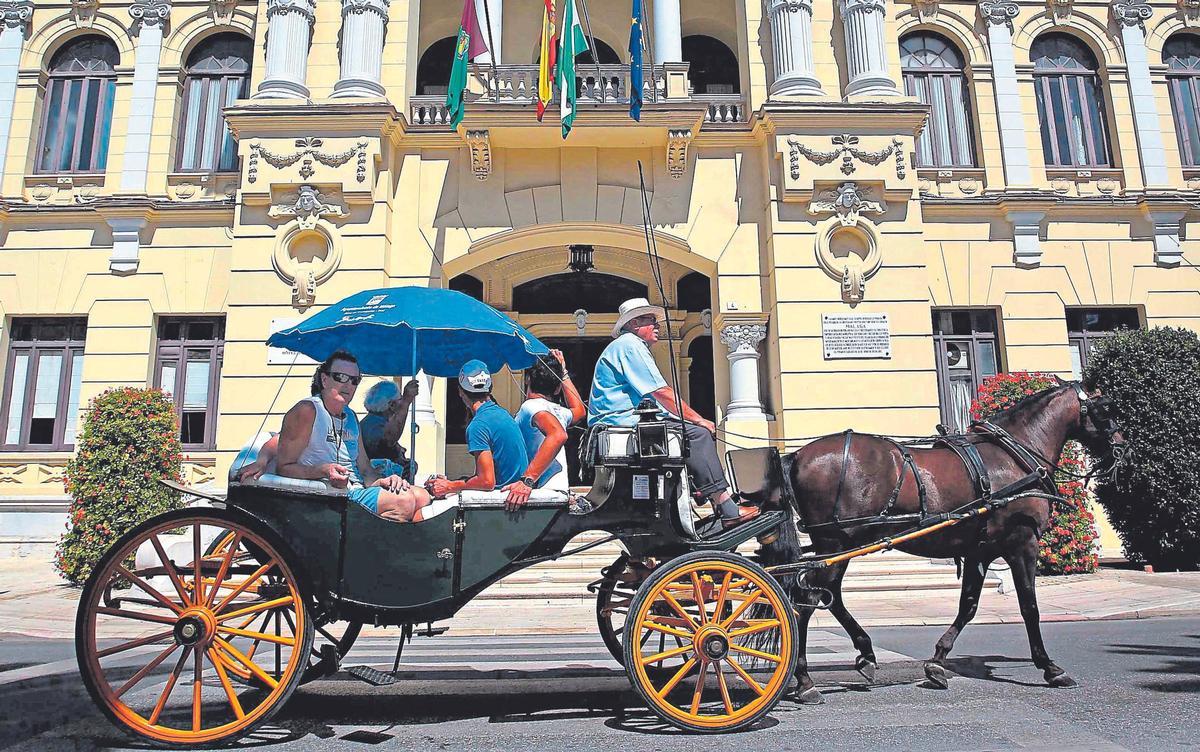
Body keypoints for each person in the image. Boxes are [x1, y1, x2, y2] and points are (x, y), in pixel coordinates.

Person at [589, 297, 760, 528]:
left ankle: (702, 488)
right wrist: (699, 419)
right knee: (697, 434)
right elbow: (661, 393)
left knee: (686, 431)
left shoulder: (628, 345)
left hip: (622, 421)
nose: (658, 325)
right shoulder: (630, 344)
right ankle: (726, 506)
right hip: (622, 423)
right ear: (634, 323)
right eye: (651, 320)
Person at [271, 350, 432, 522]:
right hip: (328, 496)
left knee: (422, 497)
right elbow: (284, 467)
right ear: (325, 379)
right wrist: (323, 470)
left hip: (355, 490)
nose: (348, 385)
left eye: (355, 380)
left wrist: (385, 480)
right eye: (341, 377)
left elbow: (365, 470)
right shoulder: (308, 411)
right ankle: (373, 547)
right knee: (403, 500)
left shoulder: (351, 417)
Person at [425, 360, 529, 501]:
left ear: (460, 392)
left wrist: (449, 486)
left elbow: (487, 482)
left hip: (503, 500)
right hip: (511, 493)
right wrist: (453, 482)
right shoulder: (502, 414)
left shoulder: (478, 426)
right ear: (489, 388)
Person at [503, 349, 587, 510]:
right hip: (557, 491)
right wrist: (564, 373)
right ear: (557, 389)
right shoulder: (558, 411)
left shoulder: (530, 407)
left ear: (527, 379)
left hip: (535, 494)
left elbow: (558, 435)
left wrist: (527, 480)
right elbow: (579, 410)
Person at [359, 378, 420, 480]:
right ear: (392, 405)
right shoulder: (373, 424)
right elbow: (389, 439)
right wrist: (406, 401)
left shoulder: (373, 421)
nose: (401, 403)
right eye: (399, 399)